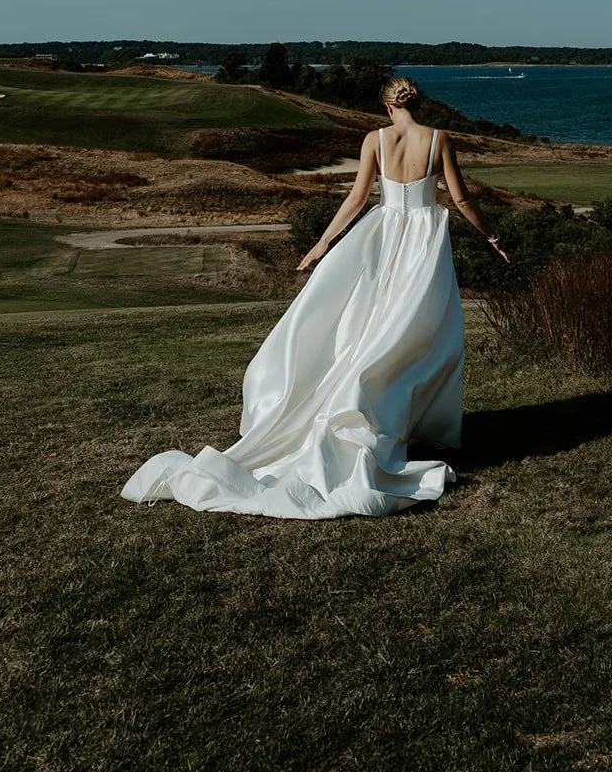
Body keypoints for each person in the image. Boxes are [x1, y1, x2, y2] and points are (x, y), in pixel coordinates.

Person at [121, 77, 508, 520]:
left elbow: (358, 198)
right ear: (417, 102)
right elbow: (459, 198)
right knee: (417, 334)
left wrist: (322, 243)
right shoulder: (440, 139)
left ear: (386, 107)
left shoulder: (375, 140)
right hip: (422, 241)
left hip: (384, 237)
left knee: (372, 327)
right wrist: (492, 236)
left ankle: (379, 418)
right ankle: (391, 421)